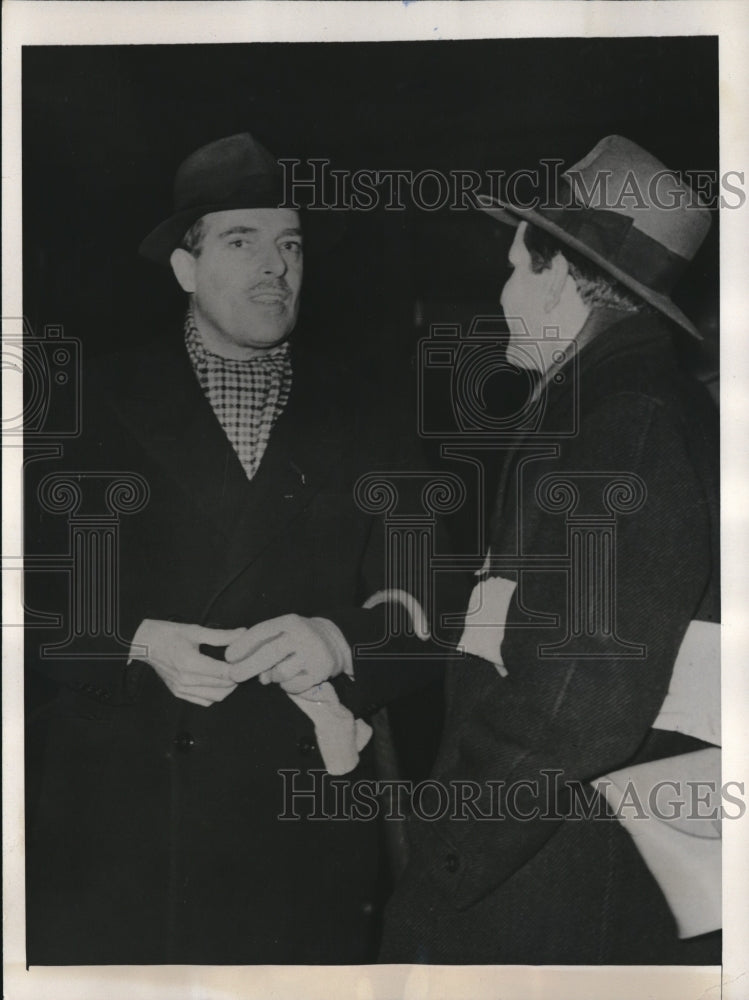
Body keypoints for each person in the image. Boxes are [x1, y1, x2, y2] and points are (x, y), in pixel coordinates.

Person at [24, 132, 445, 965]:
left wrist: (339, 642)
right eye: (240, 240)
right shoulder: (84, 398)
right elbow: (22, 598)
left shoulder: (370, 409)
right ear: (185, 268)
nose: (274, 267)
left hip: (301, 826)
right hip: (120, 822)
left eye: (288, 244)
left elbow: (438, 596)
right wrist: (136, 643)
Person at [379, 136, 721, 964]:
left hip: (554, 882)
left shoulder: (621, 422)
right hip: (555, 856)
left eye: (513, 267)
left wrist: (448, 846)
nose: (499, 292)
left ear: (565, 276)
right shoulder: (612, 405)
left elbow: (581, 694)